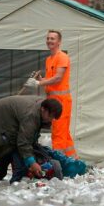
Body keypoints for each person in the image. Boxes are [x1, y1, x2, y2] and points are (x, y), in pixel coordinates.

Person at [0, 95, 62, 184]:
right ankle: (15, 183)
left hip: (9, 118)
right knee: (14, 150)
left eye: (53, 118)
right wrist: (32, 163)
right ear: (43, 109)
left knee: (10, 151)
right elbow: (23, 142)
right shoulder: (32, 115)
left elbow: (30, 134)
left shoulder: (42, 107)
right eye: (50, 116)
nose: (51, 120)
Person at [26, 30, 76, 158]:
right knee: (64, 133)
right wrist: (41, 81)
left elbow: (58, 78)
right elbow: (51, 80)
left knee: (58, 134)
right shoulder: (49, 59)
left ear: (59, 42)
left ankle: (58, 162)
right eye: (48, 38)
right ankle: (72, 161)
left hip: (62, 101)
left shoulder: (62, 57)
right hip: (53, 101)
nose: (49, 41)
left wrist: (38, 84)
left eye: (52, 39)